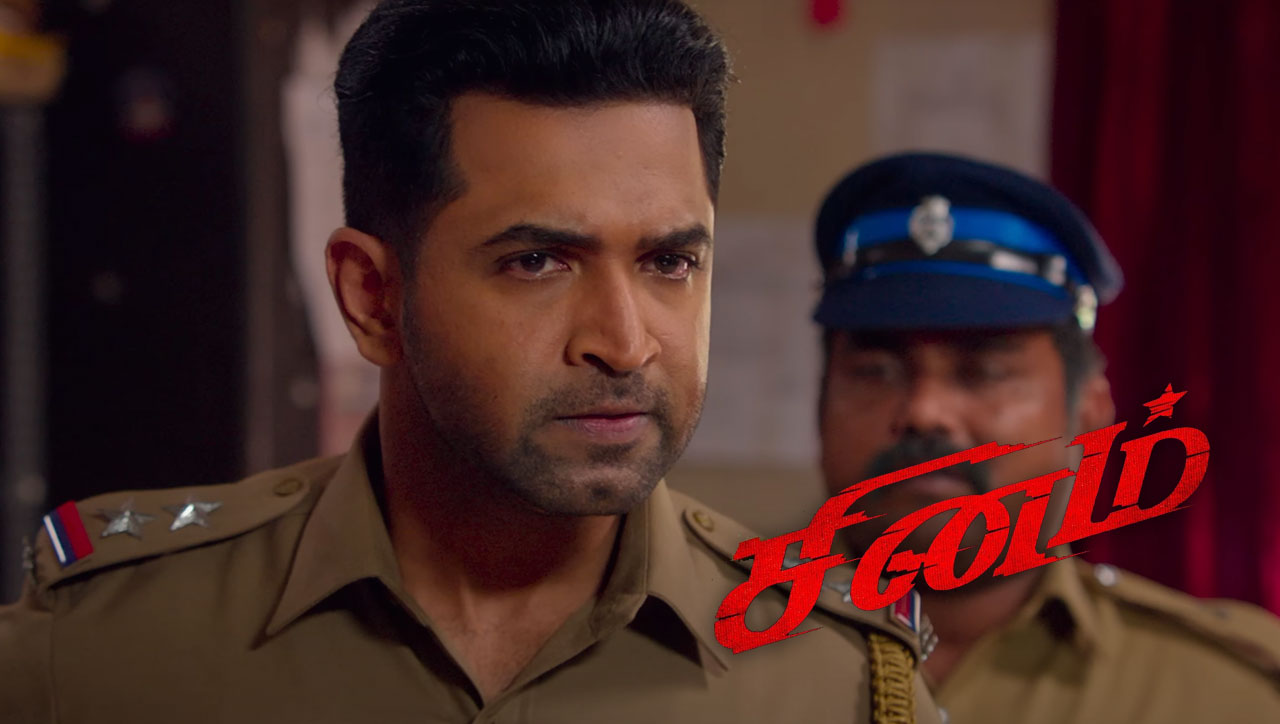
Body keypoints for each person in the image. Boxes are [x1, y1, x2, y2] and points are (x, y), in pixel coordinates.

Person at [0, 2, 944, 722]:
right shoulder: (103, 653)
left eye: (668, 263)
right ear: (372, 297)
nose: (624, 342)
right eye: (537, 262)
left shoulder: (833, 680)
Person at [810, 151, 1280, 723]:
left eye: (983, 372)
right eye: (875, 372)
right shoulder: (715, 661)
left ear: (1089, 415)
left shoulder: (1225, 695)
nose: (925, 412)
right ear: (820, 404)